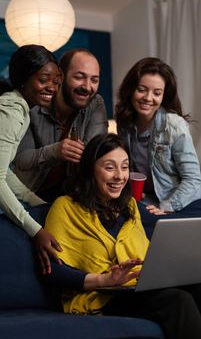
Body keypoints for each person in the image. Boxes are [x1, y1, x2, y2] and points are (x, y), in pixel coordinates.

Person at [43, 133, 201, 339]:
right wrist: (105, 279)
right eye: (110, 167)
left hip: (137, 288)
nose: (120, 176)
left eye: (125, 167)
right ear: (90, 169)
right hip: (104, 296)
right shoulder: (65, 207)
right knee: (177, 301)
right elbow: (52, 270)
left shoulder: (130, 206)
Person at [0, 44, 63, 274]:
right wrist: (36, 231)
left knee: (37, 213)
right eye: (44, 79)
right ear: (24, 79)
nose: (52, 87)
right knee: (29, 231)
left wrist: (34, 200)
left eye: (56, 81)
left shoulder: (14, 106)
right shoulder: (11, 111)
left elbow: (2, 171)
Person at [13, 48, 108, 202]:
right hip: (28, 195)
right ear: (60, 77)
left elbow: (96, 151)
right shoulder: (33, 104)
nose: (87, 86)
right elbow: (21, 159)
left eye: (94, 80)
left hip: (72, 198)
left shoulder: (95, 104)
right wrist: (56, 150)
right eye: (79, 77)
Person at [115, 57, 201, 220]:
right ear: (131, 89)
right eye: (141, 89)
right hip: (147, 200)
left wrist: (167, 207)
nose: (148, 98)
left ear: (163, 96)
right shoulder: (125, 123)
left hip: (181, 202)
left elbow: (193, 179)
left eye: (157, 93)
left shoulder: (174, 124)